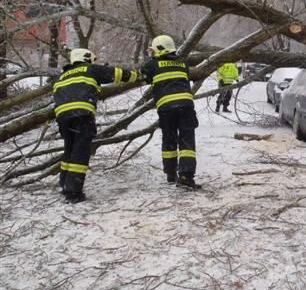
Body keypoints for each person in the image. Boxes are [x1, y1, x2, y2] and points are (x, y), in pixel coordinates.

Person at [54, 48, 138, 203]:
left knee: (69, 149)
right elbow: (117, 73)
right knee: (80, 152)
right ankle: (73, 192)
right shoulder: (90, 69)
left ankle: (64, 183)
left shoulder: (62, 76)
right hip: (82, 115)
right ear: (87, 58)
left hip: (63, 118)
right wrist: (137, 76)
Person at [141, 35, 200, 188]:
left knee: (169, 140)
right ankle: (186, 176)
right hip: (186, 108)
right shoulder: (182, 63)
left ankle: (171, 173)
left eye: (153, 51)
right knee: (187, 141)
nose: (152, 54)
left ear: (160, 49)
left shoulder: (152, 65)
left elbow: (143, 74)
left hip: (167, 109)